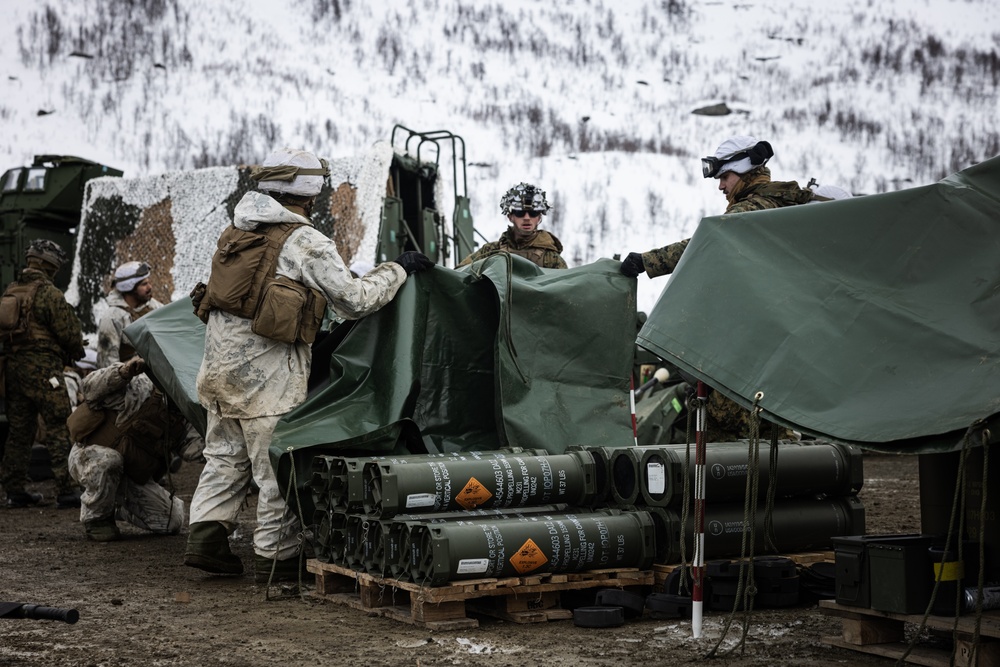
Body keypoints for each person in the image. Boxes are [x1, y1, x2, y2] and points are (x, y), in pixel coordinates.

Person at [184, 147, 432, 581]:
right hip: (266, 381)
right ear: (309, 194)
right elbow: (354, 300)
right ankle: (276, 561)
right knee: (277, 470)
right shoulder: (304, 241)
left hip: (218, 374)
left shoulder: (236, 232)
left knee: (224, 458)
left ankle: (205, 540)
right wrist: (398, 270)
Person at [620, 135, 823, 442]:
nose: (721, 186)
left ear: (744, 172)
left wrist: (648, 262)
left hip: (748, 339)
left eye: (725, 177)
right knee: (768, 427)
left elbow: (706, 245)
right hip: (774, 335)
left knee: (729, 425)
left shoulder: (753, 209)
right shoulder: (782, 204)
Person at [0, 239, 85, 508]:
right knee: (59, 424)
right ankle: (67, 488)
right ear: (51, 265)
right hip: (44, 370)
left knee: (20, 431)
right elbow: (71, 334)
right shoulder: (49, 294)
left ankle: (14, 490)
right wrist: (74, 350)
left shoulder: (11, 291)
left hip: (13, 370)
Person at [66, 357, 187, 542]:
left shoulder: (186, 411)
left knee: (172, 521)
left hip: (129, 474)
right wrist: (123, 372)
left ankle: (118, 506)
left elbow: (197, 449)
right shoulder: (139, 385)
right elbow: (88, 387)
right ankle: (96, 519)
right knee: (109, 460)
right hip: (88, 457)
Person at [458, 182, 568, 269]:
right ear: (510, 216)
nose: (527, 218)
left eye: (533, 213)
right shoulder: (490, 252)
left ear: (539, 217)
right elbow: (460, 275)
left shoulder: (551, 258)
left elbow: (564, 291)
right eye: (520, 212)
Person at [96, 260, 163, 368]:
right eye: (144, 284)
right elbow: (107, 365)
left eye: (149, 282)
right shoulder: (112, 317)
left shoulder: (154, 307)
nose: (150, 287)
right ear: (129, 287)